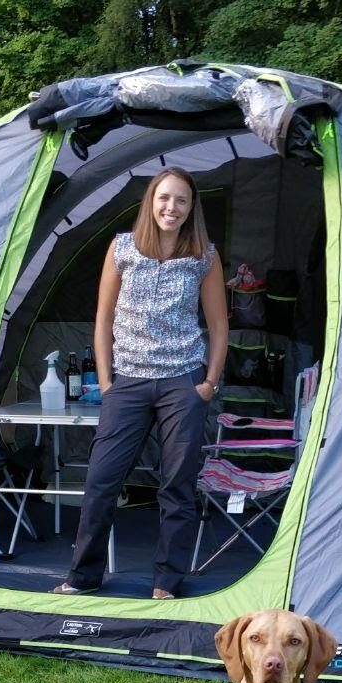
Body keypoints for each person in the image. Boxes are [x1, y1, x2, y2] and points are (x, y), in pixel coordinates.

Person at [54, 167, 228, 598]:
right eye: (164, 198)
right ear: (151, 202)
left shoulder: (204, 255)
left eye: (181, 200)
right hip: (128, 382)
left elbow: (219, 325)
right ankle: (83, 576)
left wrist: (208, 383)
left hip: (182, 382)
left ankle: (167, 581)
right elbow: (103, 319)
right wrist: (107, 382)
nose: (172, 207)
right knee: (101, 480)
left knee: (177, 485)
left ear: (191, 208)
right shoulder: (122, 248)